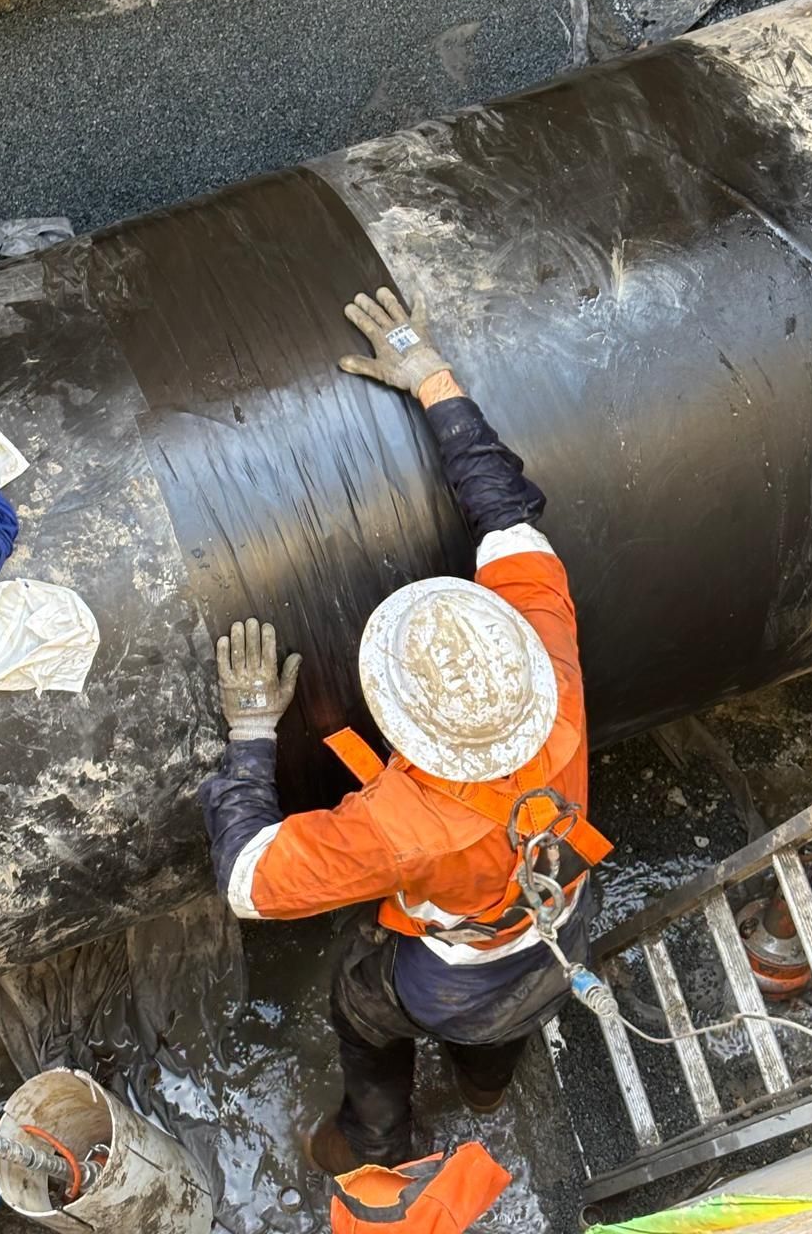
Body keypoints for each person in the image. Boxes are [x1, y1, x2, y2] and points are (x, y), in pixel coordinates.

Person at [199, 287, 611, 1175]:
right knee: (502, 1028)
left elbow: (246, 880)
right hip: (562, 923)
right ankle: (487, 1088)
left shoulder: (401, 824)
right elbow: (507, 513)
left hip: (455, 974)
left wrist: (250, 734)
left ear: (405, 726)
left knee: (363, 1011)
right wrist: (433, 377)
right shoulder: (551, 663)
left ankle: (377, 1143)